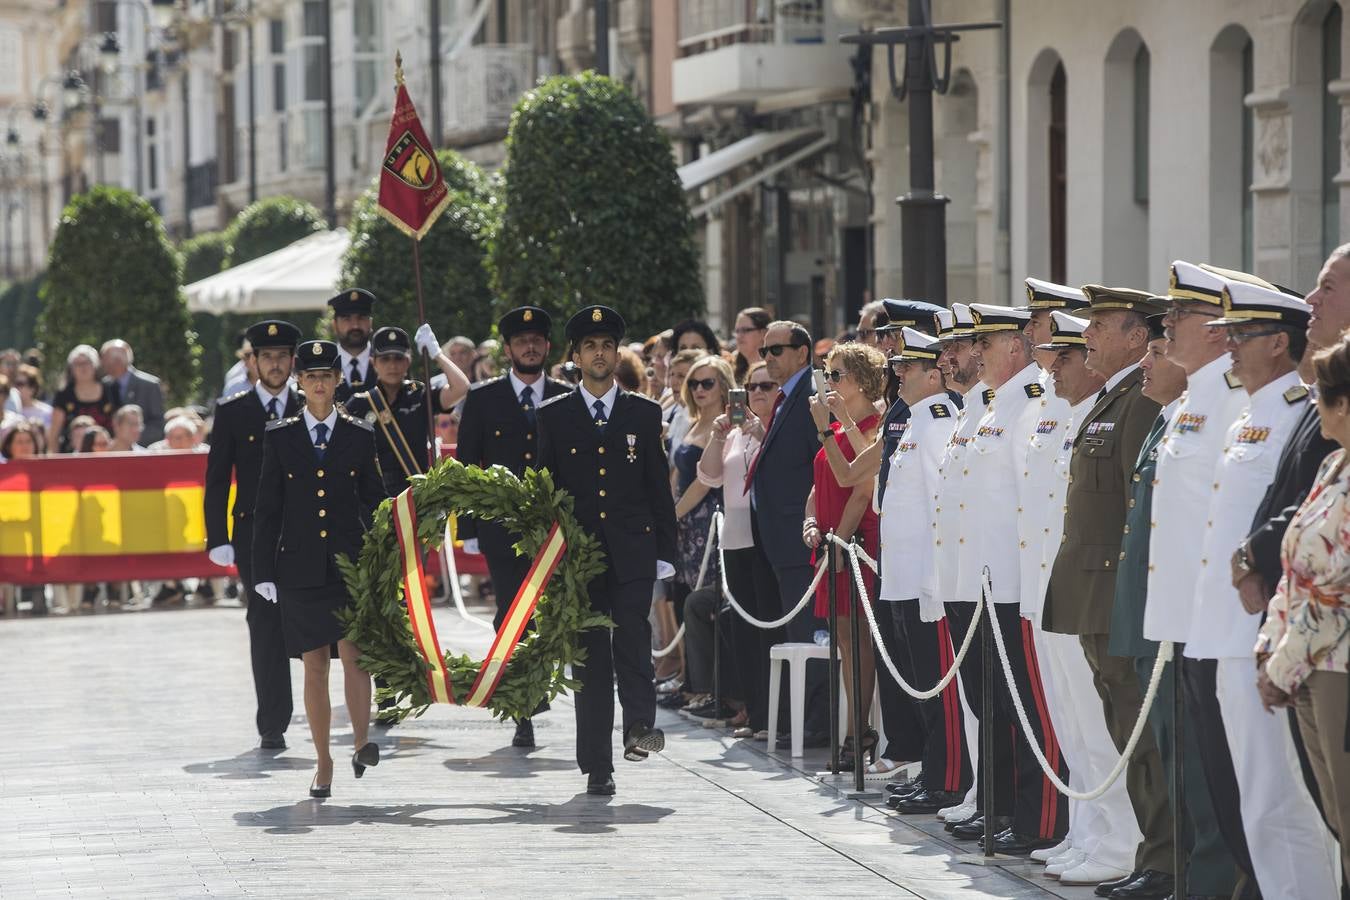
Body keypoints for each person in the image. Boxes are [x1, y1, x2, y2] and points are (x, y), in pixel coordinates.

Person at [1185, 281, 1338, 899]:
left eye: (1241, 338)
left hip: (1263, 633)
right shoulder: (1244, 411)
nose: (1230, 351)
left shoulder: (1303, 412)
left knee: (1281, 800)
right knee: (1249, 798)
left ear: (1280, 342)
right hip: (1221, 628)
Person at [1143, 261, 1270, 888]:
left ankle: (1222, 882)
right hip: (1186, 616)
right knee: (1198, 769)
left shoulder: (1240, 397)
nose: (1164, 327)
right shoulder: (1192, 394)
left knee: (1230, 774)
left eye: (1179, 317)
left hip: (1223, 618)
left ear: (1220, 334)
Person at [1041, 287, 1171, 890]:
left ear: (1136, 337)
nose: (1084, 333)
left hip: (1115, 598)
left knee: (1136, 737)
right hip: (1092, 596)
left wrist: (1127, 606)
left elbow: (1133, 512)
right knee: (1121, 732)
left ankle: (1155, 857)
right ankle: (1146, 854)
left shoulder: (1138, 402)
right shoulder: (1112, 399)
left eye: (1098, 324)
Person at [1107, 314, 1237, 900]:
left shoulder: (1227, 407)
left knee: (1205, 768)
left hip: (1199, 619)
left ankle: (1208, 880)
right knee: (1174, 754)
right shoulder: (1176, 411)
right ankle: (1185, 874)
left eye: (1169, 334)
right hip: (1161, 613)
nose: (1151, 356)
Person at [536, 305, 678, 796]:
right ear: (575, 356)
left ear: (617, 355)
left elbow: (658, 487)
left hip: (634, 551)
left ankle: (639, 728)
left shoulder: (644, 411)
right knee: (590, 658)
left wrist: (666, 551)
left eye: (607, 346)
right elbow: (543, 493)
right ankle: (597, 763)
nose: (600, 354)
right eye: (590, 346)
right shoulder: (553, 415)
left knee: (634, 642)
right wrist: (547, 559)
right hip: (580, 559)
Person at [946, 303, 1068, 855]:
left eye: (985, 344)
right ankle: (1001, 808)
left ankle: (1035, 818)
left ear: (1014, 349)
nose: (975, 354)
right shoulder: (999, 406)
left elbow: (1033, 501)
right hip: (986, 577)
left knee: (1024, 708)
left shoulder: (1031, 405)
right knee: (995, 701)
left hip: (1016, 579)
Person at [1022, 303, 1137, 884]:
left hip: (1088, 590)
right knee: (1072, 720)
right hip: (1057, 587)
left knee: (1099, 722)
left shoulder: (1111, 410)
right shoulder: (1071, 413)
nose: (1055, 368)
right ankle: (1090, 832)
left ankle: (1122, 840)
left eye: (1065, 355)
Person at [252, 339, 385, 799]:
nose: (320, 384)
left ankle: (363, 741)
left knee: (354, 655)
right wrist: (262, 570)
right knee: (313, 666)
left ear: (338, 380)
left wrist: (388, 549)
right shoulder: (280, 435)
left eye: (327, 376)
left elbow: (375, 499)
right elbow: (267, 507)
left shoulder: (360, 433)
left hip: (348, 565)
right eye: (311, 377)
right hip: (300, 567)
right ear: (299, 383)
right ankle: (324, 760)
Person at [847, 327, 970, 810]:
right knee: (920, 685)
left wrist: (932, 582)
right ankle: (932, 771)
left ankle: (948, 778)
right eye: (896, 366)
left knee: (939, 690)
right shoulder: (918, 419)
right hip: (899, 575)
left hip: (925, 580)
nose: (897, 373)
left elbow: (943, 506)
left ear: (935, 374)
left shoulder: (938, 420)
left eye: (908, 367)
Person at [1257, 332, 1350, 888]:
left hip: (1338, 672)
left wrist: (1280, 666)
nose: (1312, 403)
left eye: (1321, 395)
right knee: (1337, 818)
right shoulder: (1331, 468)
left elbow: (1333, 593)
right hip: (1308, 668)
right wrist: (1270, 644)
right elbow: (1294, 572)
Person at [455, 306, 571, 748]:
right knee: (510, 612)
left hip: (552, 529)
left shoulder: (565, 394)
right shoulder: (484, 399)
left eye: (537, 339)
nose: (529, 346)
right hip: (502, 528)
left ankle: (532, 687)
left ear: (547, 346)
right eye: (521, 340)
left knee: (545, 613)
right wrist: (466, 525)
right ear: (507, 349)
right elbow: (468, 465)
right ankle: (523, 704)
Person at [204, 320, 305, 751]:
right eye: (267, 356)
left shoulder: (312, 402)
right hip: (251, 533)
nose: (276, 364)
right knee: (264, 622)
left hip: (304, 532)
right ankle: (273, 721)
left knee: (309, 620)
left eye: (283, 356)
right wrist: (217, 536)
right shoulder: (234, 410)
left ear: (293, 361)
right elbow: (216, 479)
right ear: (253, 362)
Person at [801, 341, 885, 766]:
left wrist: (840, 540)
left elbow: (860, 492)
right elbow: (820, 483)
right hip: (832, 539)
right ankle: (854, 730)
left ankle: (859, 733)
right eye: (827, 374)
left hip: (856, 542)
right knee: (844, 643)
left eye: (836, 375)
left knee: (858, 641)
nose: (828, 382)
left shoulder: (872, 424)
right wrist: (811, 521)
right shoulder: (837, 426)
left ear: (861, 380)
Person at [746, 319, 828, 748]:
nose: (768, 359)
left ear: (801, 351)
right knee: (796, 632)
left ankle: (817, 721)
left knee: (810, 632)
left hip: (803, 538)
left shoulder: (812, 394)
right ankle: (804, 716)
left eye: (775, 350)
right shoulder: (785, 397)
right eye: (764, 351)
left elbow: (823, 461)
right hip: (781, 540)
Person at [698, 359, 777, 739]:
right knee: (743, 628)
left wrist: (762, 434)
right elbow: (709, 475)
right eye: (753, 387)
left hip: (763, 537)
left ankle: (772, 715)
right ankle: (755, 713)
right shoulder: (734, 433)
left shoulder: (774, 430)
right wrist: (717, 436)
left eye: (767, 386)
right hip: (734, 537)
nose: (759, 393)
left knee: (766, 627)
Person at [343, 325, 471, 498]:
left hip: (416, 496)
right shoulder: (360, 403)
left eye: (398, 358)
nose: (392, 365)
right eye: (385, 359)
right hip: (375, 497)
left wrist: (437, 354)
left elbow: (461, 388)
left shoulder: (419, 394)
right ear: (374, 362)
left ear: (408, 361)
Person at [49, 345, 116, 453]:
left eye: (87, 363)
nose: (83, 367)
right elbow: (54, 432)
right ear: (71, 368)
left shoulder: (110, 390)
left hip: (106, 454)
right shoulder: (63, 395)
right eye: (78, 364)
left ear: (95, 365)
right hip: (70, 457)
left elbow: (119, 426)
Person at [101, 340, 165, 444]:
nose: (102, 363)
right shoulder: (103, 386)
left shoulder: (149, 385)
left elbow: (157, 425)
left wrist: (130, 439)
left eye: (105, 359)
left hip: (141, 451)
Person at [329, 288, 377, 404]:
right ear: (334, 325)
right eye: (347, 318)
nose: (355, 325)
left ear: (370, 323)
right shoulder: (325, 365)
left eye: (361, 317)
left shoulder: (386, 362)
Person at [731, 307, 771, 383]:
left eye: (745, 330)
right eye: (737, 331)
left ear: (763, 333)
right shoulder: (733, 368)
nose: (739, 336)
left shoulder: (774, 369)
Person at [12, 365, 52, 430]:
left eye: (20, 384)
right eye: (14, 383)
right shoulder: (7, 410)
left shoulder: (47, 412)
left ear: (32, 388)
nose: (15, 388)